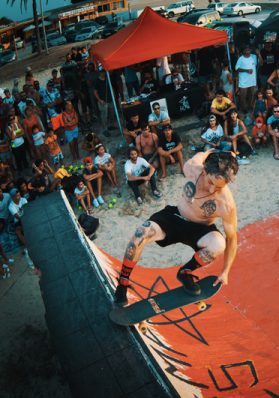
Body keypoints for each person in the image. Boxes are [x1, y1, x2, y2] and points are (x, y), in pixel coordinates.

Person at [114, 150, 239, 305]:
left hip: (199, 229)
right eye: (211, 183)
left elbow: (232, 238)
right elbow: (203, 153)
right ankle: (123, 283)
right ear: (204, 170)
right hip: (175, 217)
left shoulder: (226, 204)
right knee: (141, 233)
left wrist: (225, 271)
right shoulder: (192, 167)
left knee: (219, 244)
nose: (213, 190)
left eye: (219, 187)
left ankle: (185, 272)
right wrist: (212, 151)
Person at [235, 46, 262, 114]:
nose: (247, 52)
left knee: (251, 95)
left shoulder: (254, 57)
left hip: (252, 81)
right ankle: (244, 109)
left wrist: (259, 54)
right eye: (246, 50)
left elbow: (261, 63)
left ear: (250, 50)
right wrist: (246, 70)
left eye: (248, 50)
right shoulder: (240, 59)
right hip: (243, 82)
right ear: (243, 51)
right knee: (243, 96)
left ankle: (250, 107)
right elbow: (237, 69)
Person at [94, 70, 114, 137]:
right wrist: (99, 100)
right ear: (99, 73)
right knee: (104, 116)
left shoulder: (108, 78)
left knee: (112, 113)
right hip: (103, 101)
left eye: (104, 72)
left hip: (110, 100)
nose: (103, 73)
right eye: (102, 72)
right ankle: (105, 130)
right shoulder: (97, 81)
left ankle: (111, 126)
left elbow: (111, 88)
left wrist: (113, 96)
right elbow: (95, 92)